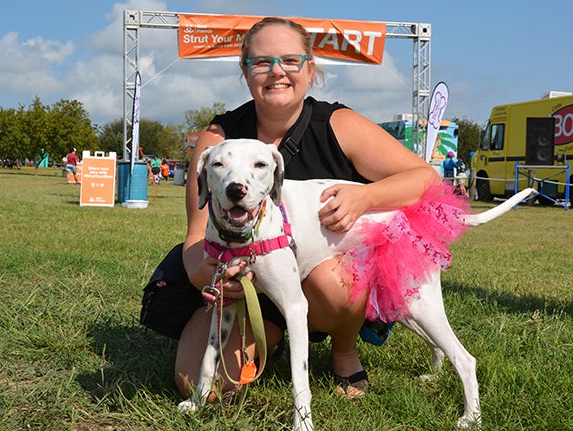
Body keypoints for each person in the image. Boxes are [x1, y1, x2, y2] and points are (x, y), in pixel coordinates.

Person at [173, 17, 443, 401]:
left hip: (323, 282)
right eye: (262, 62)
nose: (277, 71)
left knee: (332, 280)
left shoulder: (338, 123)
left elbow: (426, 179)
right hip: (248, 290)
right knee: (196, 385)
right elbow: (196, 241)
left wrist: (365, 196)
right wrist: (209, 276)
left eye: (290, 60)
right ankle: (272, 337)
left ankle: (344, 351)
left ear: (311, 70)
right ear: (245, 72)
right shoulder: (218, 139)